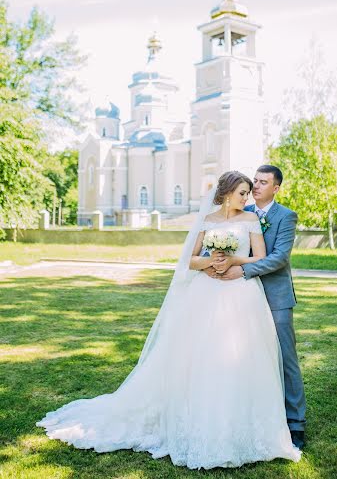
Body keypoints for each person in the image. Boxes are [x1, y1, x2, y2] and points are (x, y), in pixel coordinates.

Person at [36, 170, 301, 469]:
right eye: (242, 191)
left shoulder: (252, 219)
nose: (247, 196)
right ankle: (198, 418)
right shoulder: (209, 220)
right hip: (207, 291)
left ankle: (270, 423)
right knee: (201, 356)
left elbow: (261, 256)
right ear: (227, 193)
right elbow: (191, 259)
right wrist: (211, 263)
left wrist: (233, 260)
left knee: (245, 357)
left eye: (251, 190)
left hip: (242, 292)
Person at [204, 165, 306, 450]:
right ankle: (253, 416)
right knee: (244, 359)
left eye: (264, 183)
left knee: (285, 359)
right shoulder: (240, 209)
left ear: (276, 188)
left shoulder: (285, 216)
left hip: (275, 297)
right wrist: (216, 261)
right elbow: (212, 246)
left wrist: (242, 271)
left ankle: (296, 423)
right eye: (256, 181)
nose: (257, 186)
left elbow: (279, 258)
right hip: (241, 299)